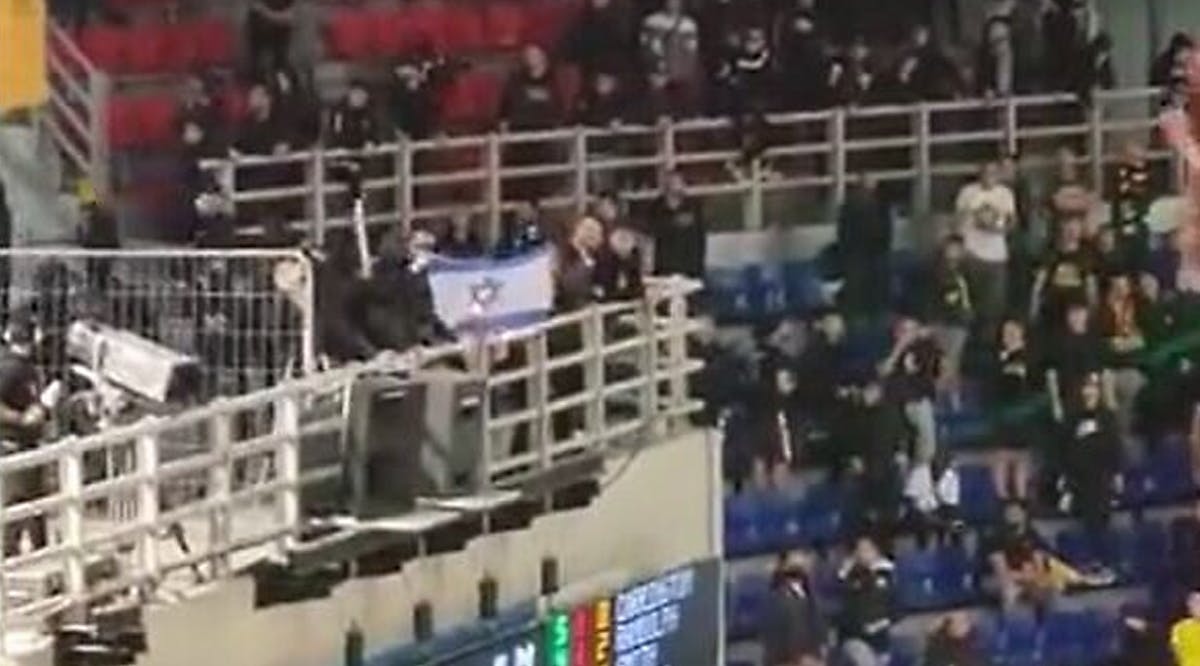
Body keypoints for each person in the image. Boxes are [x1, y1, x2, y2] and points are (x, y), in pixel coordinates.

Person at [0, 318, 61, 556]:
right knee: (18, 504)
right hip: (13, 444)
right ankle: (12, 559)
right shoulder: (10, 368)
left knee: (34, 505)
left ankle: (36, 554)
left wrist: (42, 409)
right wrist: (22, 419)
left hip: (26, 444)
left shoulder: (26, 367)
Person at [1058, 374, 1122, 561]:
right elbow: (1064, 451)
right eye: (1087, 387)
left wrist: (1116, 475)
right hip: (1078, 480)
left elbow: (1114, 448)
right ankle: (1087, 562)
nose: (1090, 392)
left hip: (1102, 479)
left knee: (1101, 521)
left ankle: (1105, 561)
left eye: (1094, 387)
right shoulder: (1071, 419)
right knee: (1084, 523)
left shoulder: (1107, 417)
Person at [955, 162, 1015, 339]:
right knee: (969, 305)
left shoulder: (1005, 194)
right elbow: (957, 222)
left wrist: (996, 228)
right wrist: (976, 221)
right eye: (985, 171)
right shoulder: (967, 192)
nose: (989, 175)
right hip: (971, 254)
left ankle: (988, 345)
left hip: (996, 257)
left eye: (993, 172)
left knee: (993, 308)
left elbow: (1011, 222)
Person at [878, 316, 941, 465]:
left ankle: (921, 468)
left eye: (910, 331)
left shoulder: (926, 348)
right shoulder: (887, 348)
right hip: (894, 402)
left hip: (918, 399)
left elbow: (934, 372)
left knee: (926, 436)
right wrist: (898, 349)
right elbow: (883, 370)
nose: (906, 335)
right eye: (902, 331)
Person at [988, 318, 1038, 502]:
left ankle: (1021, 496)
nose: (1009, 336)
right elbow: (991, 385)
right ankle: (1001, 496)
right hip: (1001, 412)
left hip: (1023, 412)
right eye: (1006, 333)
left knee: (1022, 456)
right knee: (1002, 455)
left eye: (1013, 331)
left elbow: (1035, 383)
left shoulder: (1030, 356)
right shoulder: (995, 357)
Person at [1097, 274, 1147, 450]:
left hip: (1132, 369)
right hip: (1106, 371)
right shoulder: (1101, 311)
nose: (1121, 290)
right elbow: (1103, 343)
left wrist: (1123, 344)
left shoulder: (1138, 307)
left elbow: (1142, 341)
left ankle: (1126, 448)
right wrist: (1122, 344)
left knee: (1133, 386)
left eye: (1124, 286)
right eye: (1116, 286)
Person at [925, 235, 973, 410]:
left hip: (960, 324)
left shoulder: (966, 271)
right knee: (943, 363)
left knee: (954, 362)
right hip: (943, 322)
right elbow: (934, 300)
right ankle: (937, 401)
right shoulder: (937, 272)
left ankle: (953, 400)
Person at [836, 174, 891, 318]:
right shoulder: (850, 205)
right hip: (858, 255)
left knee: (874, 289)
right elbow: (844, 232)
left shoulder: (881, 204)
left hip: (873, 254)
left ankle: (873, 316)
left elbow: (887, 229)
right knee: (859, 291)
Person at [761, 549, 828, 666]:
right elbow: (773, 644)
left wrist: (818, 657)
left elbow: (820, 633)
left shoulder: (811, 598)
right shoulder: (774, 600)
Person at [836, 536, 895, 665]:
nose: (863, 554)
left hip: (881, 637)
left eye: (867, 550)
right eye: (860, 550)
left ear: (876, 552)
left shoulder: (887, 575)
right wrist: (843, 575)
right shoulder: (848, 577)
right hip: (855, 637)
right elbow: (840, 603)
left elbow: (897, 604)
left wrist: (884, 621)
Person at [640, 0, 702, 115]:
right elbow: (647, 50)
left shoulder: (688, 24)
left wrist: (688, 74)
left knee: (684, 111)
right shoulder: (652, 22)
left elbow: (691, 53)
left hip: (682, 76)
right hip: (659, 74)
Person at [649, 170, 706, 280]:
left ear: (683, 185)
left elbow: (701, 237)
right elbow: (651, 235)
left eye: (677, 183)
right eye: (670, 183)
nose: (674, 186)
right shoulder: (656, 208)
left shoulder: (694, 207)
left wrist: (699, 267)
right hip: (664, 268)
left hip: (689, 268)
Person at [903, 449, 963, 548]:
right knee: (922, 522)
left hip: (942, 510)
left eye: (944, 462)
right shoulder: (919, 472)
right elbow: (910, 497)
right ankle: (923, 549)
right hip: (920, 511)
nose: (940, 465)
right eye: (938, 461)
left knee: (957, 523)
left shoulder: (951, 475)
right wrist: (924, 509)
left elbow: (952, 500)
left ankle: (953, 549)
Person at [246, 0, 296, 77]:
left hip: (280, 42)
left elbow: (289, 17)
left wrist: (265, 12)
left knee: (281, 70)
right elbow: (253, 9)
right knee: (260, 69)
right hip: (261, 42)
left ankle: (285, 87)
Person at [594, 226, 644, 302]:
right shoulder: (604, 263)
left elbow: (638, 289)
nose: (625, 255)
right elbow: (606, 292)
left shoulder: (632, 263)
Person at [329, 81, 378, 151]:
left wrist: (371, 142)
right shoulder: (339, 112)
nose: (359, 98)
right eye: (356, 94)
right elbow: (335, 132)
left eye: (362, 96)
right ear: (350, 94)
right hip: (341, 152)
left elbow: (375, 132)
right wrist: (339, 146)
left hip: (363, 152)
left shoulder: (369, 112)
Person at [1171, 591, 1200, 666]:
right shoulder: (1180, 628)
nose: (1198, 607)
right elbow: (1177, 651)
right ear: (1189, 608)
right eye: (1195, 604)